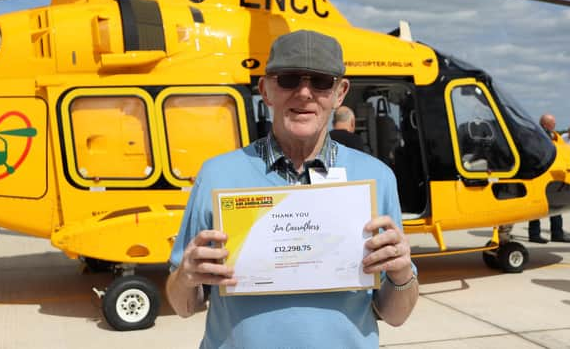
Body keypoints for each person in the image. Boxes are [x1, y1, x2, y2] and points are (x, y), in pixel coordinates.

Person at [166, 30, 418, 348]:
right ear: (266, 90)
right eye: (288, 79)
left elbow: (395, 315)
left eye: (321, 81)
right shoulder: (217, 176)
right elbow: (183, 306)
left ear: (340, 93)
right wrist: (186, 276)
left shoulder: (376, 179)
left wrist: (401, 273)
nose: (304, 93)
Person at [528, 113, 570, 243]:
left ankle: (551, 233)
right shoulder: (538, 136)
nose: (555, 125)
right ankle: (538, 234)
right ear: (545, 124)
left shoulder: (553, 136)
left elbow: (561, 149)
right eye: (552, 123)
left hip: (551, 175)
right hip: (542, 175)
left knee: (553, 206)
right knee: (542, 206)